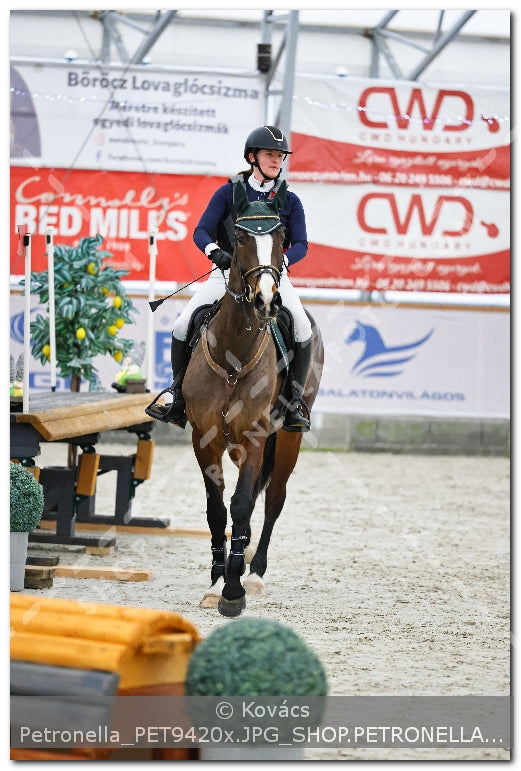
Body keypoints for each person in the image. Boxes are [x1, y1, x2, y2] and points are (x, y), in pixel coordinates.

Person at [146, 125, 313, 432]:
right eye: (270, 155)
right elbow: (201, 231)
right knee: (183, 323)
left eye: (280, 156)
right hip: (227, 276)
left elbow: (301, 243)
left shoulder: (290, 199)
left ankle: (294, 400)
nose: (277, 161)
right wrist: (214, 253)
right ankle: (177, 394)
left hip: (274, 276)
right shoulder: (229, 192)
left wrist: (281, 263)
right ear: (253, 157)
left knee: (302, 327)